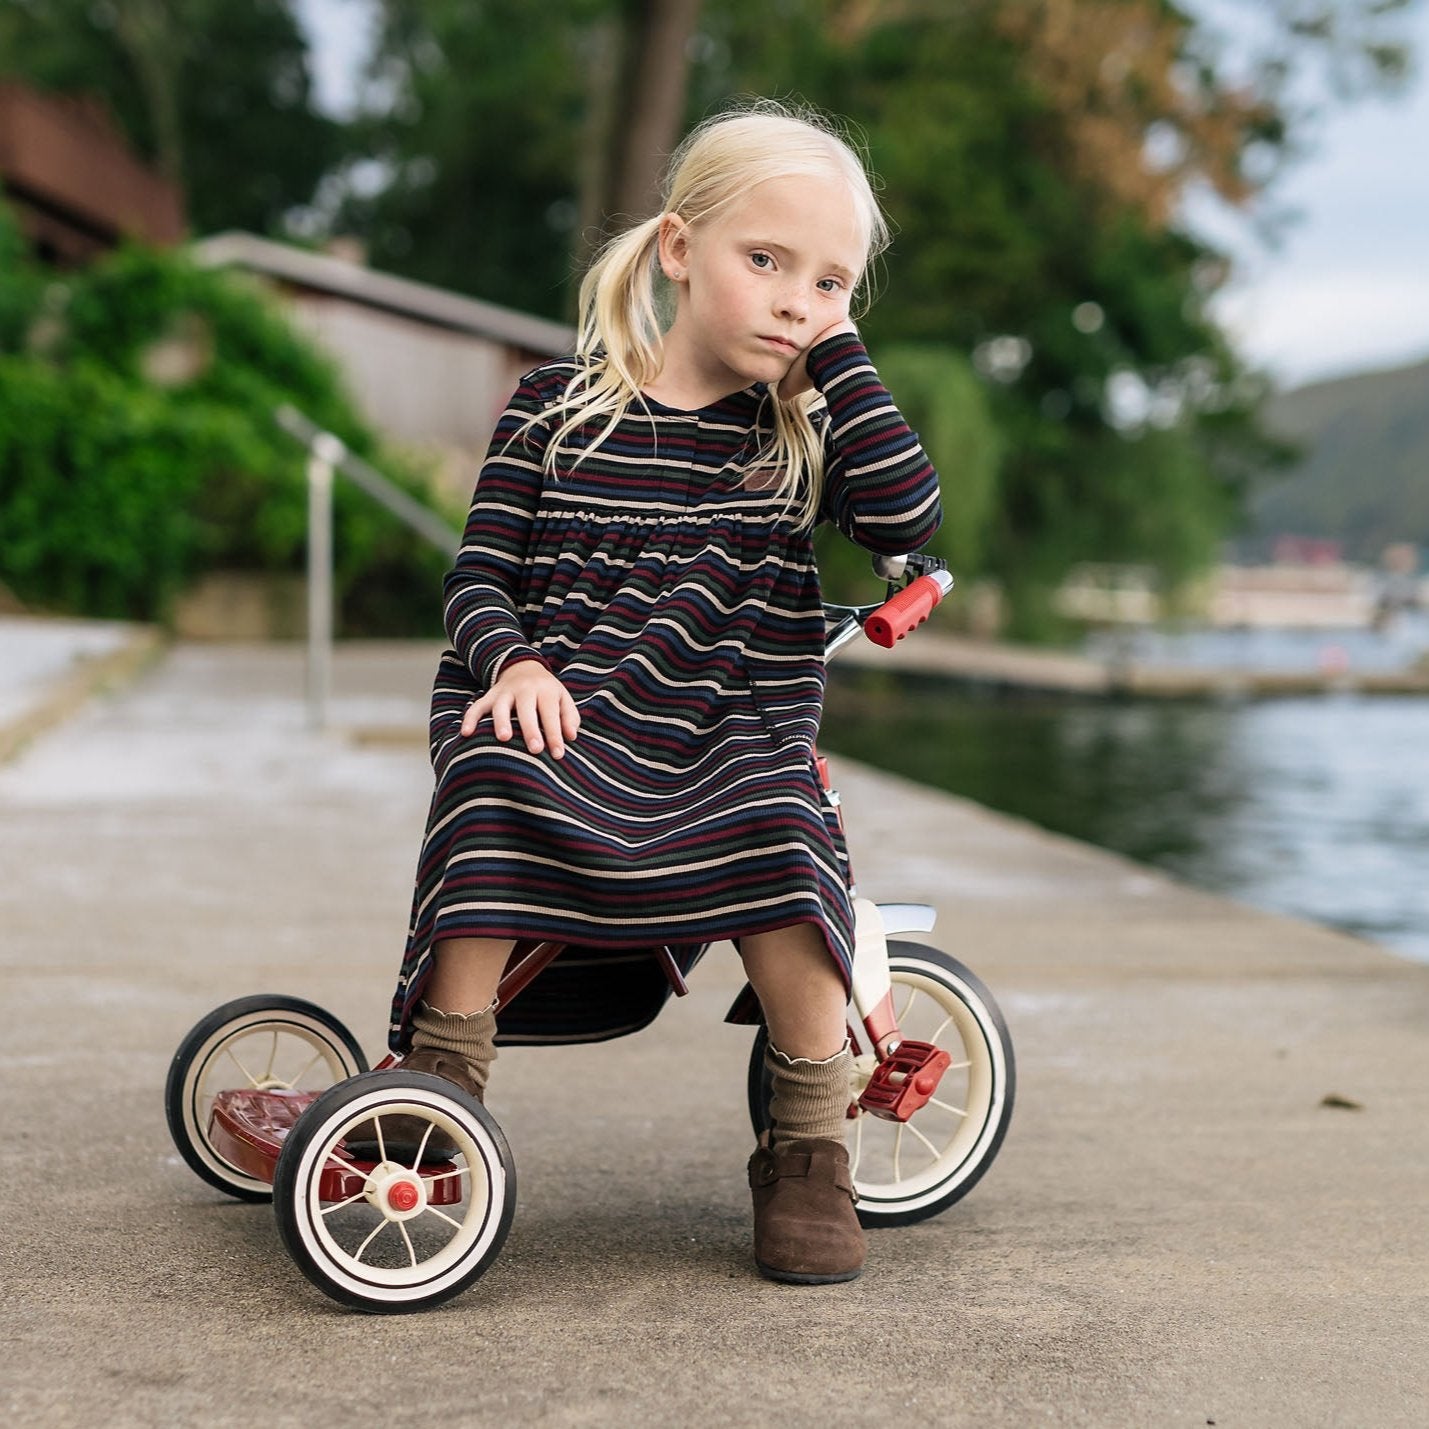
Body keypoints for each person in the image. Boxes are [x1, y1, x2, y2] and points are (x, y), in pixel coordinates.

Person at [355, 100, 941, 1285]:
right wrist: (513, 663)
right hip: (565, 716)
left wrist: (841, 363)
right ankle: (441, 1082)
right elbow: (477, 578)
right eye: (766, 261)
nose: (795, 299)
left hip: (727, 731)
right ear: (679, 249)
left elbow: (909, 519)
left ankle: (809, 1147)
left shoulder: (800, 443)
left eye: (831, 284)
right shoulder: (553, 408)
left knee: (784, 827)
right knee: (486, 774)